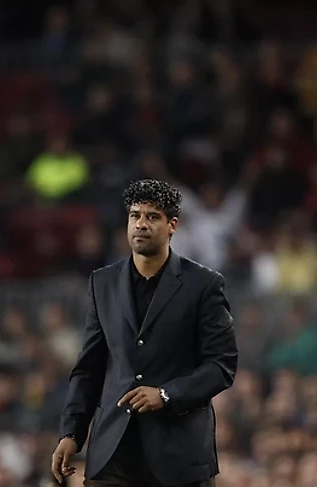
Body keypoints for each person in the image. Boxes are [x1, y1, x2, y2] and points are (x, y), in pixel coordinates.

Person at [51, 179, 239, 486]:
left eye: (152, 217)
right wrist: (71, 433)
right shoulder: (102, 282)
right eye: (135, 215)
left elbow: (221, 366)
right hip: (112, 452)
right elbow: (89, 368)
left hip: (180, 455)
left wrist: (166, 394)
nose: (141, 224)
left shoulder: (204, 284)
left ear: (172, 225)